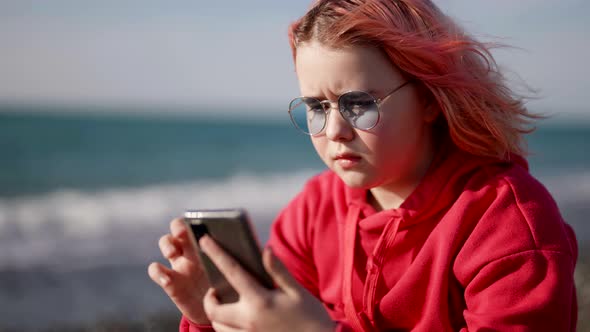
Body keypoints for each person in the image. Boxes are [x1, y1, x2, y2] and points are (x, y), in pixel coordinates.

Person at [148, 0, 578, 330]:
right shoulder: (315, 211)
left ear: (428, 98)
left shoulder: (506, 223)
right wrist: (212, 315)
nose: (334, 130)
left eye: (358, 103)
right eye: (316, 107)